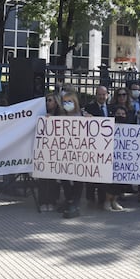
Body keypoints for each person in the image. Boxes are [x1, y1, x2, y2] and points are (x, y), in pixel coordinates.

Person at [59, 90, 85, 218]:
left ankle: (75, 203)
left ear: (75, 102)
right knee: (64, 178)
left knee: (78, 179)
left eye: (70, 101)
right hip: (64, 154)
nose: (67, 104)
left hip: (79, 154)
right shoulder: (60, 117)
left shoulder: (82, 116)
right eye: (65, 102)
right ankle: (69, 200)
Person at [38, 93, 63, 212]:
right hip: (43, 151)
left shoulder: (62, 116)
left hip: (56, 151)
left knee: (53, 179)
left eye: (50, 100)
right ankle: (43, 201)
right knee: (43, 178)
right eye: (47, 100)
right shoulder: (40, 114)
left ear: (56, 102)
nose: (48, 103)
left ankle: (52, 201)